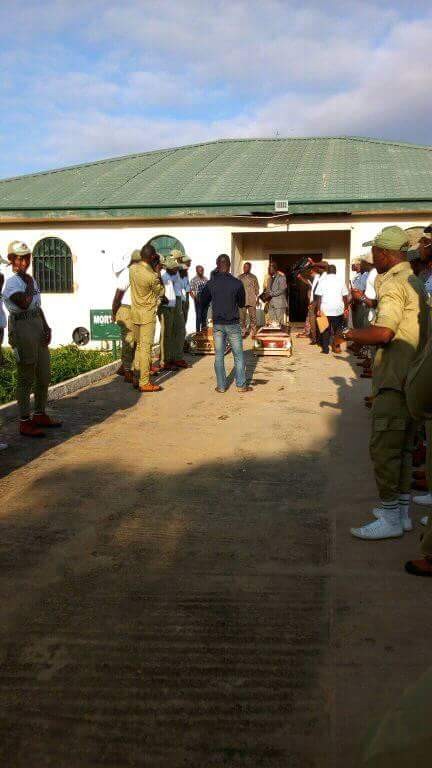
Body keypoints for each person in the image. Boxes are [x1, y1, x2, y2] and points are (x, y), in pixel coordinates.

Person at [340, 226, 430, 540]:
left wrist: (350, 334)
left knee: (384, 451)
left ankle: (390, 516)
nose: (372, 258)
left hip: (394, 378)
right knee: (404, 448)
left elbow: (383, 333)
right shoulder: (415, 281)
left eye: (375, 252)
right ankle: (401, 513)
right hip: (414, 376)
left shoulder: (393, 284)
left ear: (386, 253)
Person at [2, 241, 62, 437]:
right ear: (12, 259)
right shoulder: (12, 283)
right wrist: (28, 283)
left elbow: (37, 306)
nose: (25, 261)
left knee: (43, 374)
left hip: (36, 325)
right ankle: (24, 420)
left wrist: (46, 326)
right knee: (26, 376)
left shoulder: (30, 279)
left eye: (27, 257)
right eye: (20, 258)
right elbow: (25, 303)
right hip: (22, 327)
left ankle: (39, 413)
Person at [200, 254, 252, 394]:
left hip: (217, 324)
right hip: (233, 324)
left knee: (219, 355)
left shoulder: (211, 283)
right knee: (238, 355)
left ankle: (221, 386)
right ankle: (241, 385)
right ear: (229, 266)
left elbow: (202, 300)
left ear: (217, 265)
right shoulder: (237, 283)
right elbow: (241, 303)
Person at [129, 243, 165, 393]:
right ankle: (144, 382)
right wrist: (157, 271)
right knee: (145, 349)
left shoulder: (132, 269)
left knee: (137, 347)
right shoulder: (152, 277)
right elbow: (161, 292)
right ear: (151, 257)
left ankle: (137, 377)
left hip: (135, 313)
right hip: (147, 315)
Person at [112, 249, 141, 383]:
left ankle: (124, 367)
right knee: (129, 340)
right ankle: (127, 371)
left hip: (135, 310)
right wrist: (114, 312)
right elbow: (118, 295)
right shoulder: (127, 273)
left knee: (135, 340)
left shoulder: (138, 273)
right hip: (125, 309)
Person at [159, 257, 189, 370]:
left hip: (175, 303)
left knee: (179, 330)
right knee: (167, 333)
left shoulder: (174, 274)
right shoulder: (162, 275)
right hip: (166, 306)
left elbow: (179, 288)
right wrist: (163, 299)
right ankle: (165, 361)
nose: (177, 270)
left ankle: (175, 357)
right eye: (175, 268)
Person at [315, 265, 349, 354]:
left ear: (327, 271)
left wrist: (318, 309)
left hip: (324, 309)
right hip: (338, 309)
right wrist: (346, 308)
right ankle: (336, 348)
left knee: (325, 329)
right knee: (338, 329)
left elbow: (319, 296)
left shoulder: (322, 281)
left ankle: (325, 349)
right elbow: (345, 296)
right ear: (335, 271)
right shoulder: (341, 281)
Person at [237, 262, 260, 338]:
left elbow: (257, 289)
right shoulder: (239, 277)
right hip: (242, 300)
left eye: (246, 267)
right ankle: (243, 332)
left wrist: (257, 299)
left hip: (251, 300)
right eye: (244, 267)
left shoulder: (254, 277)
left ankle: (253, 332)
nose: (245, 268)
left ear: (250, 268)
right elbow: (236, 289)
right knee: (242, 317)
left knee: (253, 317)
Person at [190, 265, 209, 332]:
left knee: (204, 316)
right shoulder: (193, 280)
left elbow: (208, 289)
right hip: (198, 300)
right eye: (200, 270)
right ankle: (198, 332)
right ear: (197, 271)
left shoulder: (206, 279)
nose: (201, 272)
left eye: (202, 270)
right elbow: (190, 290)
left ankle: (203, 332)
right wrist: (194, 298)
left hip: (206, 301)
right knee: (198, 317)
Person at [178, 258, 191, 324]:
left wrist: (187, 300)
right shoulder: (176, 277)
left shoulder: (185, 275)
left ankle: (183, 328)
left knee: (185, 315)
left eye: (186, 270)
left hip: (184, 299)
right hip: (177, 299)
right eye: (185, 270)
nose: (186, 271)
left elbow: (187, 287)